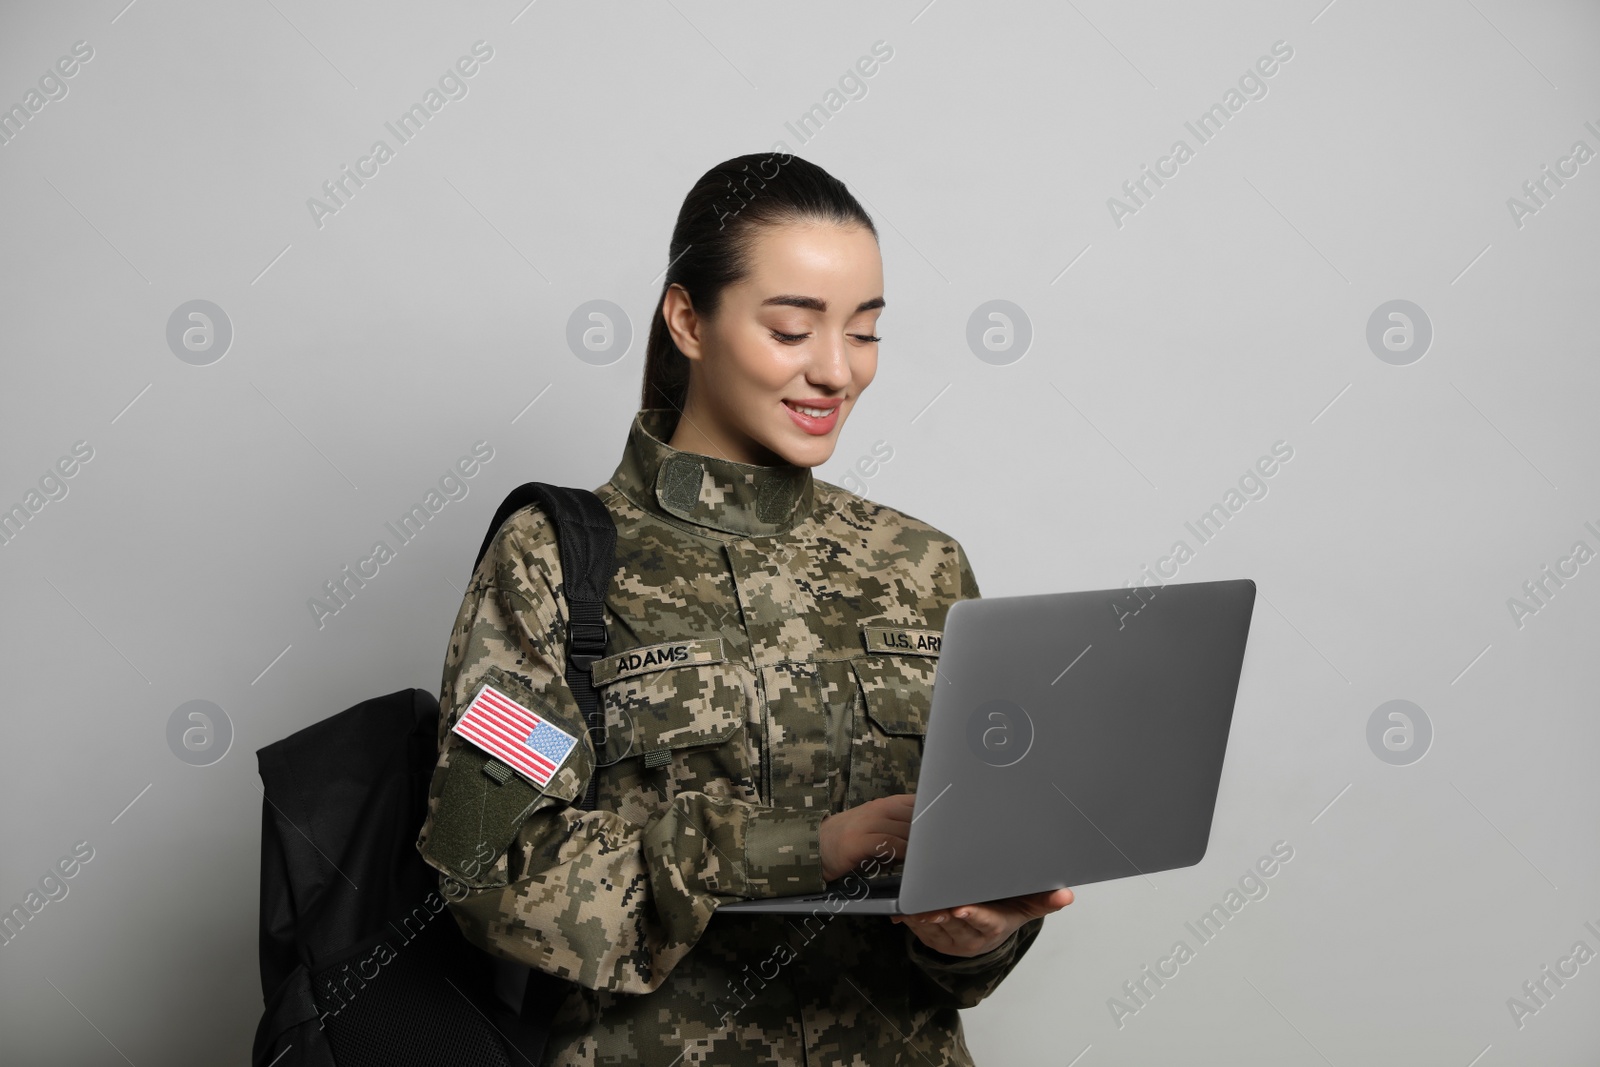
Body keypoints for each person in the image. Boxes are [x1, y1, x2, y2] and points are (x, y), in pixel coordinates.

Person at [415, 151, 1074, 1066]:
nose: (838, 371)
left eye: (867, 331)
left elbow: (971, 880)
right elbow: (487, 866)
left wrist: (971, 936)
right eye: (794, 329)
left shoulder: (924, 567)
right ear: (688, 318)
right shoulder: (553, 558)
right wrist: (812, 846)